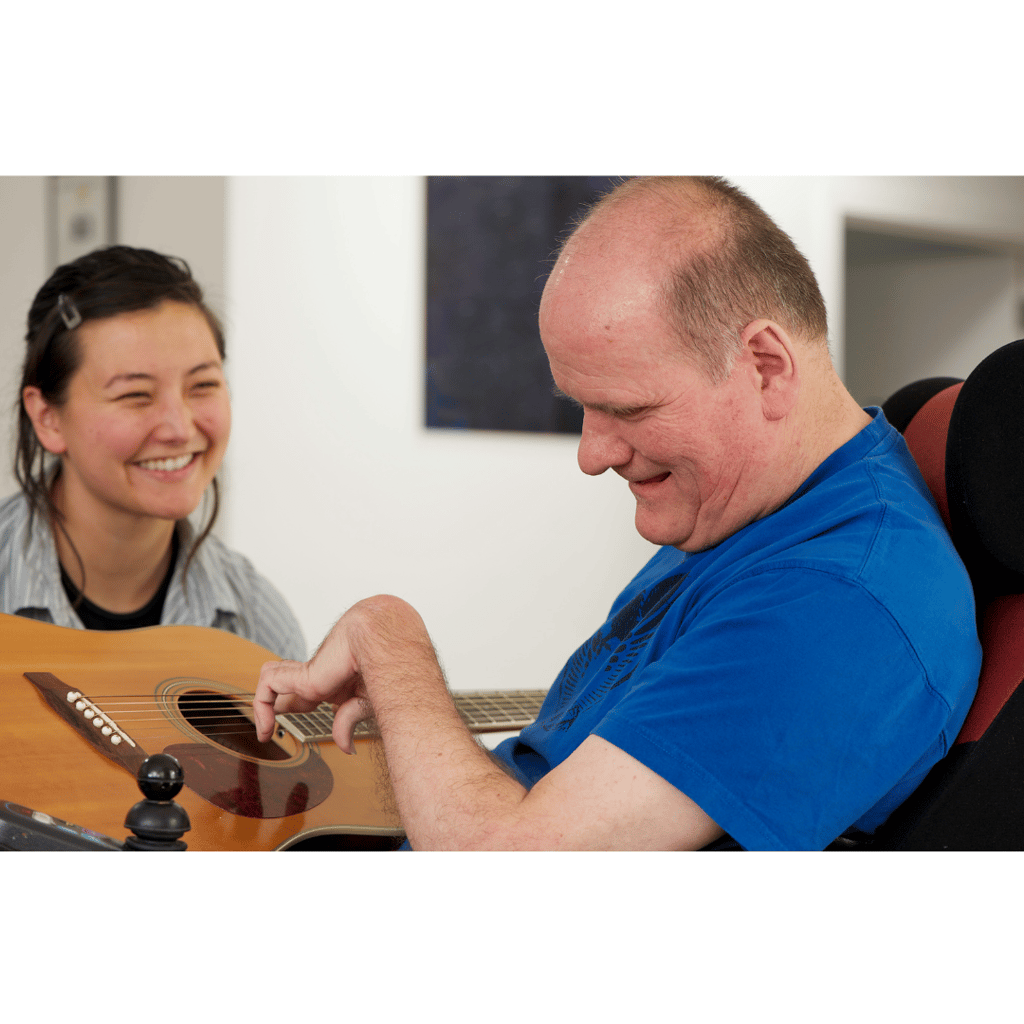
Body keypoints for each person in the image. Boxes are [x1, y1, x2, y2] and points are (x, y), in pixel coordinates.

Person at [253, 176, 982, 850]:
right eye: (581, 407)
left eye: (625, 408)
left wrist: (389, 639)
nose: (591, 454)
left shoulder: (838, 603)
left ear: (765, 364)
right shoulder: (742, 514)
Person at [1, 244, 305, 660]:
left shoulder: (258, 622)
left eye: (203, 386)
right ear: (48, 418)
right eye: (136, 395)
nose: (180, 429)